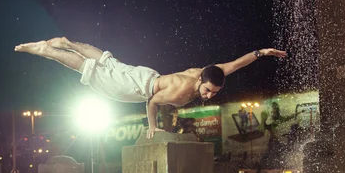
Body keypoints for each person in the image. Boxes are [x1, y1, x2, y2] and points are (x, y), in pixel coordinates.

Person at [15, 37, 288, 138]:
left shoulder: (209, 73)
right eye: (207, 91)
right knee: (93, 73)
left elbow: (237, 64)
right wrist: (152, 127)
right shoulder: (183, 91)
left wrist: (262, 52)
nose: (209, 95)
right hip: (138, 88)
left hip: (147, 74)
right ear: (199, 82)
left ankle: (70, 42)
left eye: (214, 93)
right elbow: (154, 102)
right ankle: (47, 51)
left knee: (109, 63)